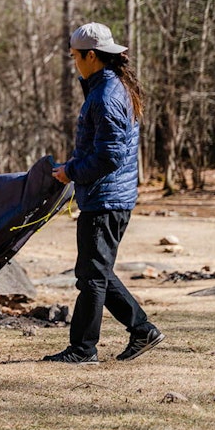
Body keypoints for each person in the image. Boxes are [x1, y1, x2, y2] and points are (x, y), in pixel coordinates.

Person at [45, 22, 164, 365]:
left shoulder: (106, 94)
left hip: (106, 198)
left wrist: (72, 172)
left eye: (75, 57)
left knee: (92, 278)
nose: (74, 63)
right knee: (94, 271)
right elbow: (101, 147)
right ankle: (142, 329)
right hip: (108, 196)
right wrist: (70, 166)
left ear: (91, 56)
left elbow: (110, 155)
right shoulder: (107, 87)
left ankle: (83, 349)